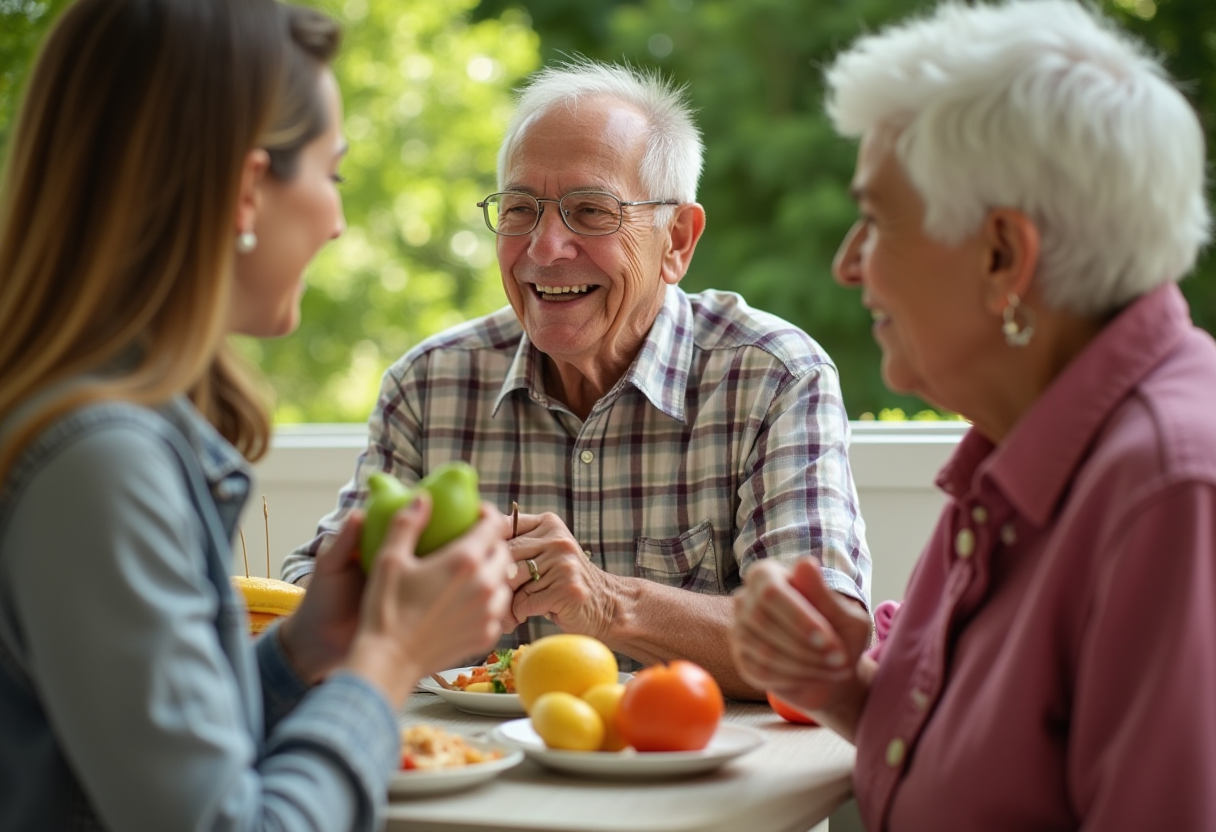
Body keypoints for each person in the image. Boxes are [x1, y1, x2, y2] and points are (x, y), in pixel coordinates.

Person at [0, 2, 513, 830]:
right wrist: (388, 665)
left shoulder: (98, 433)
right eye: (331, 173)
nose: (339, 220)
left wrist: (307, 649)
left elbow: (143, 766)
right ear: (247, 191)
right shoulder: (101, 465)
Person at [730, 0, 1216, 828]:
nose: (849, 266)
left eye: (877, 220)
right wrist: (840, 690)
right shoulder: (1020, 441)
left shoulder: (1170, 492)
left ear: (1002, 256)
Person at [283, 59, 871, 696]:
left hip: (694, 780)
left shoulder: (772, 377)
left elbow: (823, 643)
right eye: (519, 210)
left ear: (676, 239)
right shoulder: (429, 386)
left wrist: (609, 602)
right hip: (470, 782)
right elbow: (305, 602)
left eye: (591, 211)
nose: (544, 247)